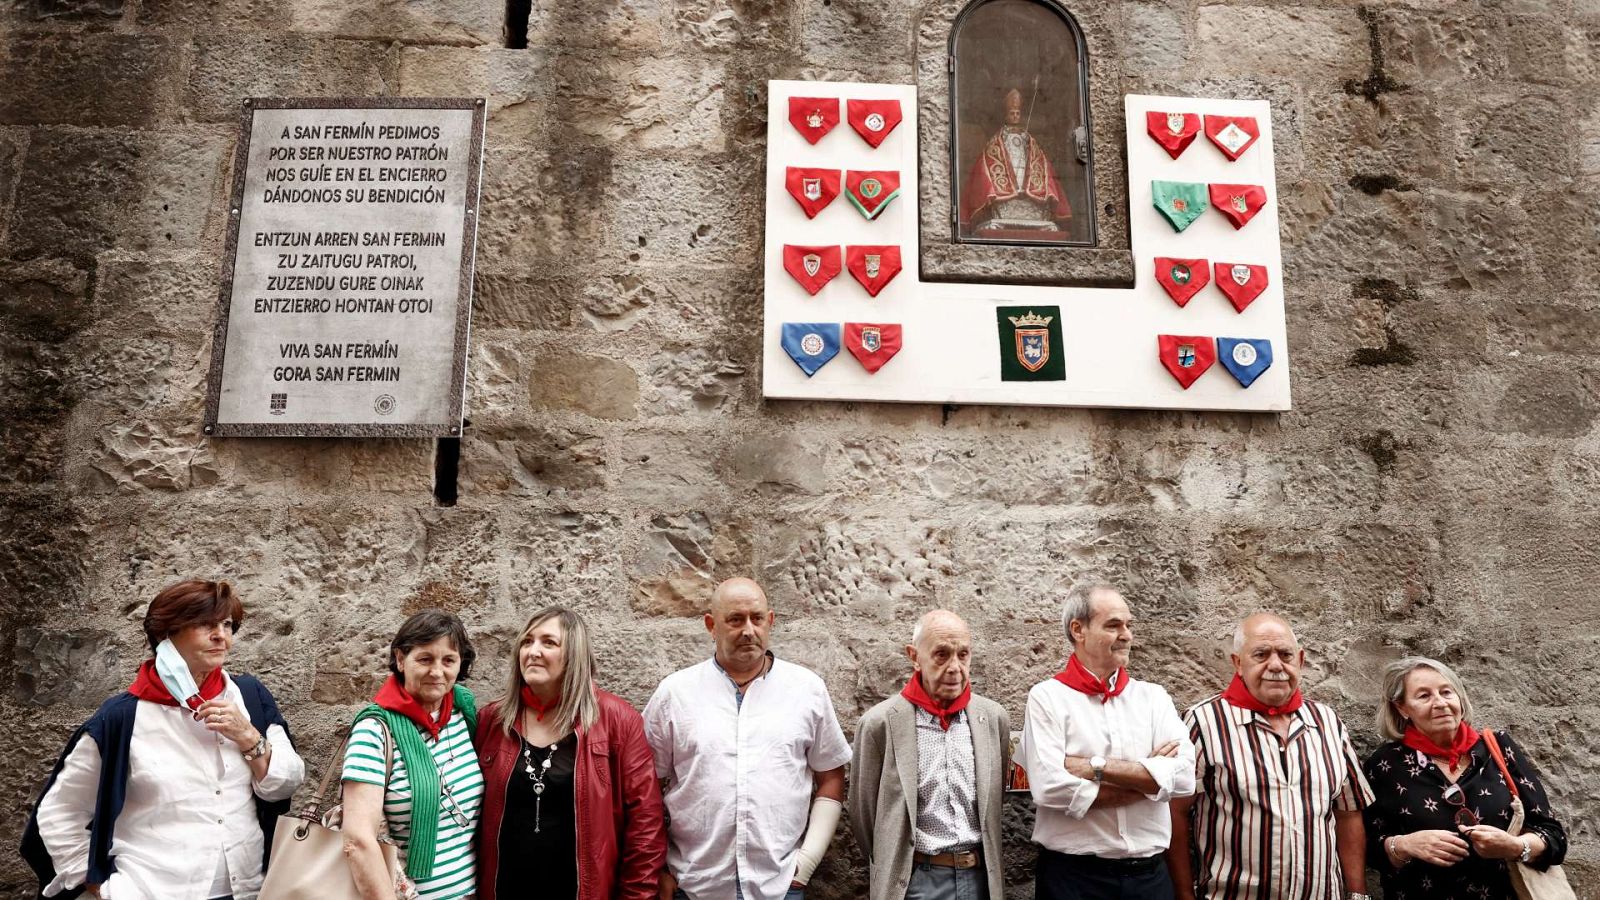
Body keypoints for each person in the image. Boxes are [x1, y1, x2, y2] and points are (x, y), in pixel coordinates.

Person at [23, 579, 305, 900]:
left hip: (249, 890)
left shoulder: (250, 698)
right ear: (165, 635)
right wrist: (99, 887)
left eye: (227, 625)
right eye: (204, 624)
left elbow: (285, 786)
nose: (221, 636)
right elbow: (59, 813)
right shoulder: (122, 718)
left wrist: (248, 737)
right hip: (154, 891)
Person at [644, 577, 852, 900]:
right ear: (711, 625)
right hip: (694, 886)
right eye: (735, 620)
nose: (748, 630)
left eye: (757, 618)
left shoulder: (806, 690)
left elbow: (831, 775)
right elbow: (644, 787)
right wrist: (657, 867)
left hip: (779, 886)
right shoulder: (675, 694)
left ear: (770, 621)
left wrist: (807, 861)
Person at [1167, 613, 1374, 900]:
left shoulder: (1328, 722)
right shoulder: (1202, 722)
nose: (1275, 665)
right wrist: (1183, 895)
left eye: (1285, 655)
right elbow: (1174, 813)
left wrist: (1357, 894)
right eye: (1261, 654)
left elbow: (1348, 813)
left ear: (1300, 660)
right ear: (1238, 663)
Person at [474, 605, 666, 900]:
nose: (533, 651)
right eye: (527, 641)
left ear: (574, 655)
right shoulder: (492, 721)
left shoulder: (618, 721)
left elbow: (645, 827)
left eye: (548, 642)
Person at [1019, 583, 1195, 900]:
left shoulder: (1153, 698)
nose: (1126, 635)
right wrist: (1149, 783)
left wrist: (1094, 767)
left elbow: (1183, 779)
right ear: (1078, 630)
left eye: (1128, 625)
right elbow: (1049, 787)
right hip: (1074, 881)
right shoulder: (1047, 698)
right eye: (1113, 625)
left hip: (1150, 879)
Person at [1362, 656, 1567, 899]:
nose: (1440, 703)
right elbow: (1367, 850)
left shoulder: (1498, 748)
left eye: (1446, 692)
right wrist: (1405, 846)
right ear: (1402, 708)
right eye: (1424, 696)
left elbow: (1553, 836)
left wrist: (1513, 847)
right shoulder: (1385, 765)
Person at [850, 610, 1010, 900]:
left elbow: (995, 802)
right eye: (941, 654)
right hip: (916, 882)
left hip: (980, 880)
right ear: (914, 656)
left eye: (963, 655)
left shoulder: (993, 719)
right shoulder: (880, 724)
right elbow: (864, 818)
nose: (954, 667)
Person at [341, 609, 484, 900]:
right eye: (425, 659)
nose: (437, 672)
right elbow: (358, 840)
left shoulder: (463, 713)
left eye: (448, 660)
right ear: (400, 659)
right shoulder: (374, 731)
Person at [960, 86, 1072, 233]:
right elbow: (991, 156)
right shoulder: (999, 139)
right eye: (1012, 113)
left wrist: (1029, 143)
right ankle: (1008, 196)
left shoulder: (1028, 139)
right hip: (1008, 170)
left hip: (1023, 170)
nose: (1014, 116)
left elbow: (1038, 157)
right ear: (1006, 116)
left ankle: (1027, 195)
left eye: (1017, 113)